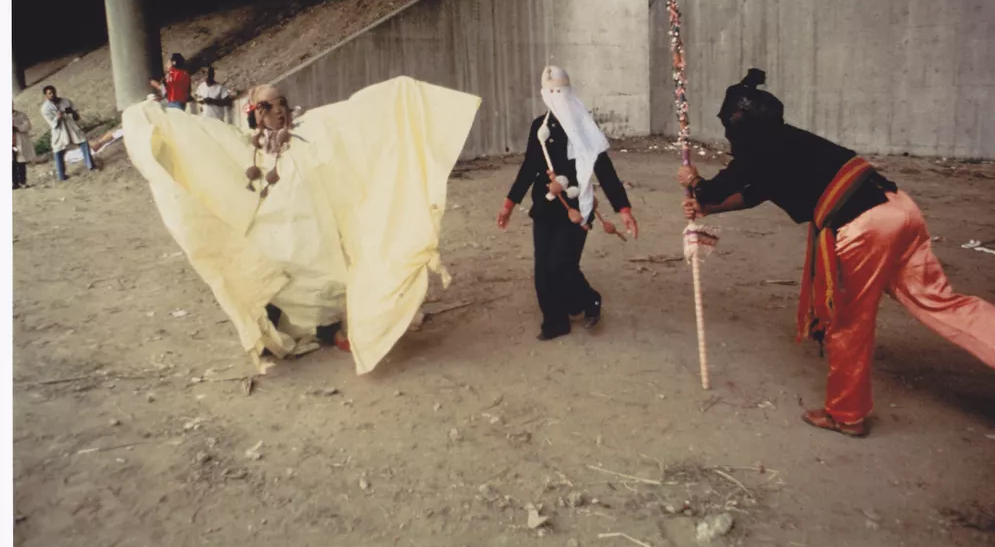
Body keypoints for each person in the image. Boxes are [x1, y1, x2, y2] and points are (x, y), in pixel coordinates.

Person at [677, 68, 995, 437]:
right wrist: (708, 209)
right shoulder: (790, 141)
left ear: (735, 121)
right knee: (941, 301)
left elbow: (715, 188)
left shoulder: (757, 149)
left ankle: (846, 414)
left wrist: (695, 183)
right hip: (899, 209)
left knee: (849, 321)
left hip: (865, 228)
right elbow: (754, 193)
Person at [123, 75, 480, 375]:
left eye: (281, 103)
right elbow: (206, 138)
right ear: (255, 113)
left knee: (326, 274)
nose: (278, 110)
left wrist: (401, 95)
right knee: (273, 273)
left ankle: (336, 327)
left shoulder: (308, 132)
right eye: (268, 106)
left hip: (314, 225)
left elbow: (353, 122)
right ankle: (285, 331)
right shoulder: (247, 145)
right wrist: (158, 118)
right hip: (276, 227)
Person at [497, 65, 638, 341]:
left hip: (577, 207)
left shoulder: (584, 126)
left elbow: (603, 169)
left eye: (559, 91)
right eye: (550, 92)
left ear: (570, 92)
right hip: (546, 206)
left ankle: (589, 300)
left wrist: (623, 209)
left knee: (562, 265)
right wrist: (509, 204)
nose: (555, 97)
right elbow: (529, 167)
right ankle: (555, 321)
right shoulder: (539, 127)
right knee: (543, 269)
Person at [40, 85, 96, 181]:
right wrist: (58, 117)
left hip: (71, 127)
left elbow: (76, 116)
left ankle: (90, 165)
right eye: (49, 93)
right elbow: (51, 123)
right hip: (60, 131)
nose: (52, 94)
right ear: (46, 95)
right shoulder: (45, 108)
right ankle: (61, 175)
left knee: (83, 142)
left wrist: (73, 112)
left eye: (53, 92)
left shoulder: (65, 101)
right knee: (58, 150)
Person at [13, 105, 33, 189]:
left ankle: (23, 181)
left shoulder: (21, 115)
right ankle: (15, 183)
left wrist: (17, 128)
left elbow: (28, 125)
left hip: (19, 142)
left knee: (21, 163)